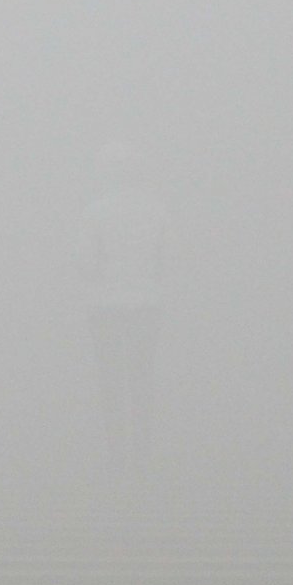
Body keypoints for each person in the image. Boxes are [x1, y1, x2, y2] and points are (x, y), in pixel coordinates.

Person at [81, 141, 168, 485]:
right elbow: (167, 259)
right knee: (141, 378)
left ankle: (117, 452)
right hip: (147, 304)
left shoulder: (94, 212)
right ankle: (143, 452)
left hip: (105, 306)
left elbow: (87, 264)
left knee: (111, 380)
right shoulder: (158, 211)